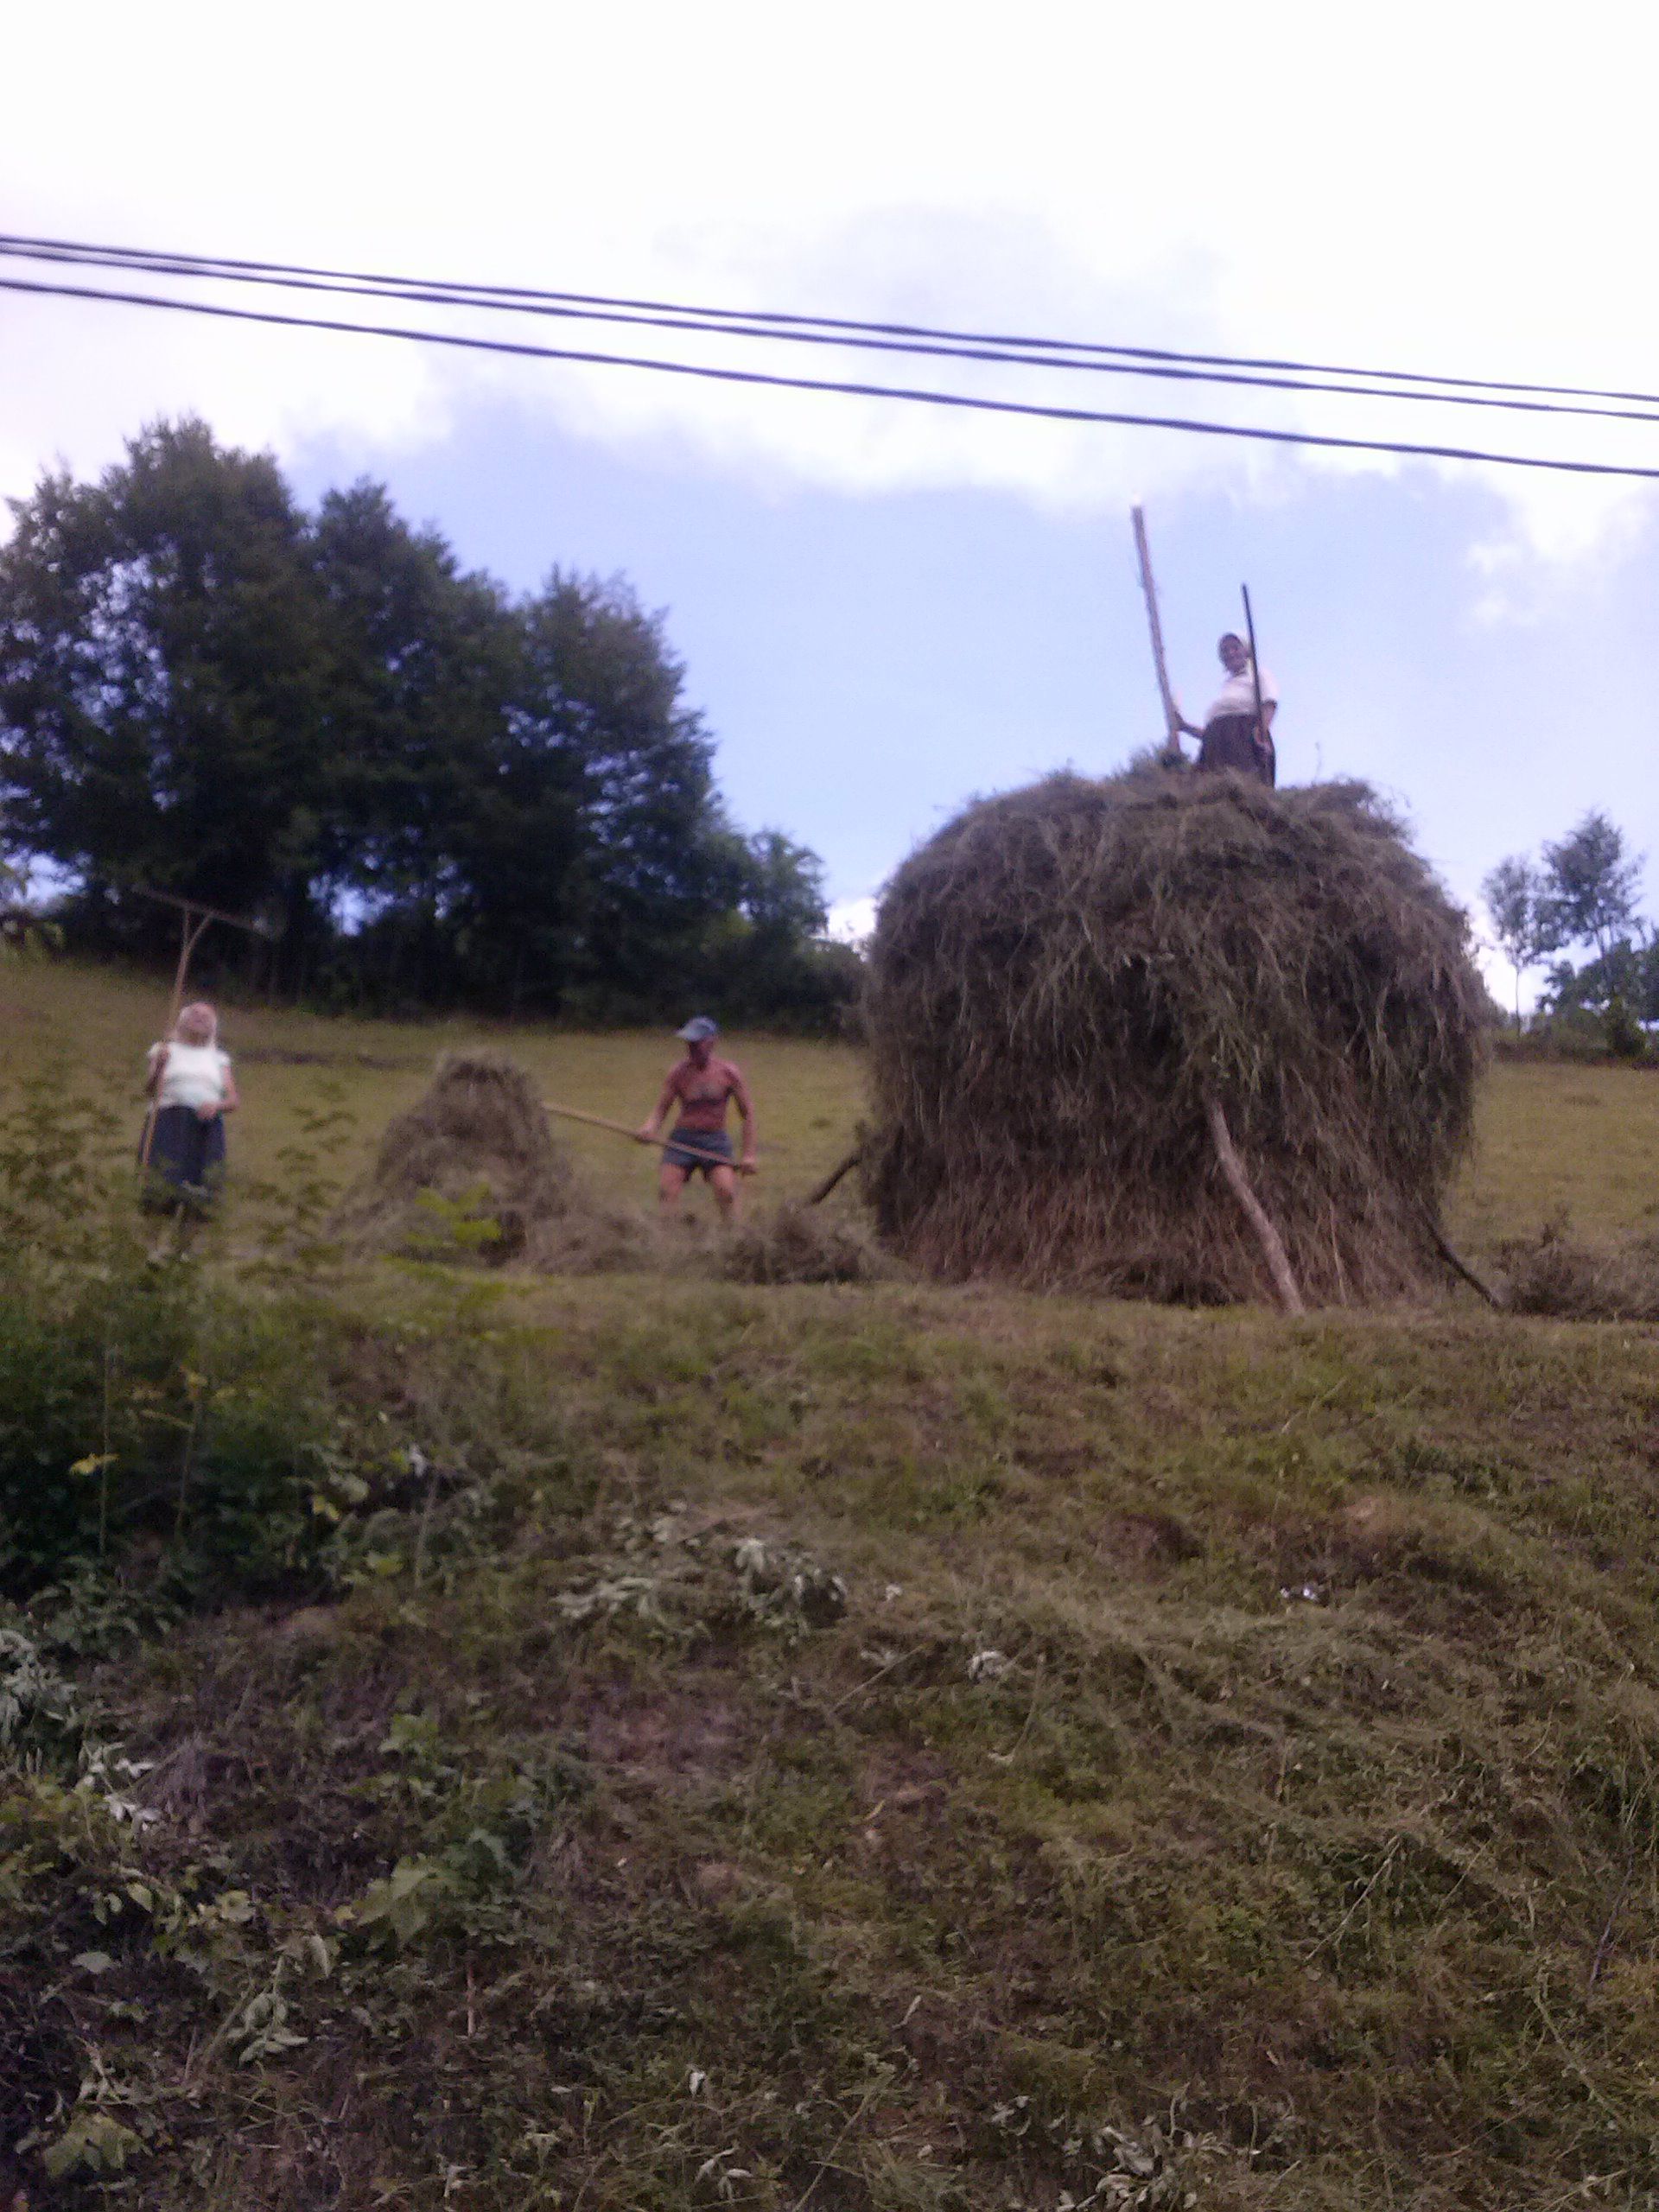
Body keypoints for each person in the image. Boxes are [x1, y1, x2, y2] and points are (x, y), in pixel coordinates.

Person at [636, 1016, 757, 1221]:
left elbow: (748, 1114)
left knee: (727, 1192)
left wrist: (749, 1155)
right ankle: (665, 1236)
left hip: (715, 1141)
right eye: (688, 1043)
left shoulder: (728, 1073)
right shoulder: (678, 1073)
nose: (691, 1048)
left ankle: (736, 1235)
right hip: (682, 1140)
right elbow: (660, 1110)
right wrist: (649, 1128)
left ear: (711, 1042)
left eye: (696, 1043)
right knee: (667, 1191)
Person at [141, 1001, 238, 1226]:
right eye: (195, 1014)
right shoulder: (164, 1050)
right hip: (167, 1122)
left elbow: (233, 1101)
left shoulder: (218, 1058)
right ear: (182, 1020)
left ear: (213, 1026)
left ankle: (186, 1243)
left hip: (205, 1125)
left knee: (198, 1192)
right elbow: (150, 1091)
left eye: (206, 1016)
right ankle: (153, 1241)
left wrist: (217, 1106)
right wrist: (160, 1067)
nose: (200, 1018)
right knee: (162, 1185)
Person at [1177, 633, 1278, 785]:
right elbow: (1212, 734)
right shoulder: (1227, 686)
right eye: (1225, 650)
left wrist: (1261, 732)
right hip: (1216, 746)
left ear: (1246, 651)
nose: (1230, 653)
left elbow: (1269, 702)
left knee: (1243, 784)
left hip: (1244, 738)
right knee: (1211, 788)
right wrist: (1185, 727)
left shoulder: (1258, 674)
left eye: (1235, 648)